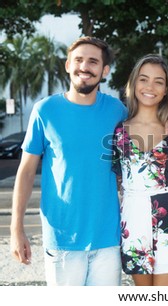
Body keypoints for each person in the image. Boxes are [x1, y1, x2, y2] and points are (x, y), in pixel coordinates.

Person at [9, 36, 128, 285]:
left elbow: (151, 124)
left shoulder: (118, 111)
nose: (84, 67)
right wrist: (16, 228)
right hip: (62, 238)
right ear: (68, 65)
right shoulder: (45, 110)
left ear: (104, 70)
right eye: (79, 60)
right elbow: (26, 171)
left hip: (108, 238)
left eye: (93, 62)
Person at [112, 54, 168, 286]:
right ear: (134, 84)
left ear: (166, 89)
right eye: (144, 79)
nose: (150, 87)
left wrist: (158, 187)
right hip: (133, 219)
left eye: (159, 81)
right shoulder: (118, 132)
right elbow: (116, 177)